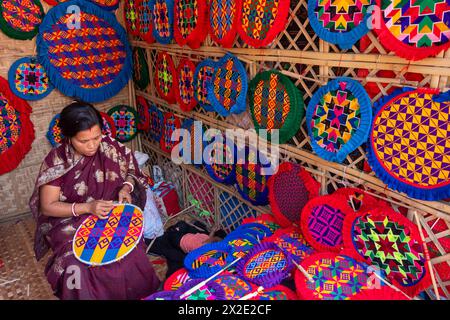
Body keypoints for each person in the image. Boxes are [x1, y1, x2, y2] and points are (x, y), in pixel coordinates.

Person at [29, 101, 160, 300]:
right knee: (80, 263)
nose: (92, 145)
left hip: (108, 212)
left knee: (129, 253)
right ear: (69, 137)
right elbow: (48, 206)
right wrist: (88, 207)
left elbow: (134, 171)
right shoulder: (57, 160)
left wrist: (127, 187)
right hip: (70, 219)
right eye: (83, 141)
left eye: (96, 137)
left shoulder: (110, 147)